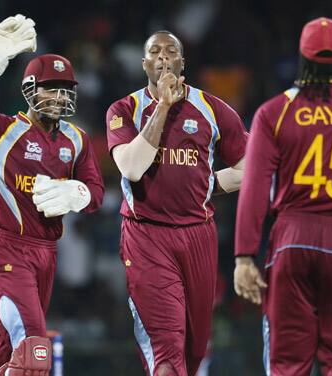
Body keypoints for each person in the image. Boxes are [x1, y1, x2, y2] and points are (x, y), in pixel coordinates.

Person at [234, 17, 332, 375]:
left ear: (302, 59)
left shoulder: (274, 111)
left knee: (287, 366)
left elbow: (255, 187)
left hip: (291, 241)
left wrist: (244, 256)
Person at [0, 15, 104, 375]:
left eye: (66, 88)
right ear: (30, 89)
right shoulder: (2, 132)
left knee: (4, 347)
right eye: (51, 87)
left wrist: (75, 192)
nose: (60, 95)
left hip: (46, 255)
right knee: (35, 349)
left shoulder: (76, 139)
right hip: (6, 248)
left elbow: (95, 192)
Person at [106, 30, 248, 375]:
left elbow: (252, 168)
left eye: (172, 51)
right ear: (144, 64)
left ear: (183, 62)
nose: (163, 56)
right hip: (146, 237)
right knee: (166, 352)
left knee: (194, 350)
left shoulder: (214, 110)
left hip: (199, 235)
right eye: (155, 51)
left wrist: (208, 184)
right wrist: (164, 107)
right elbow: (132, 168)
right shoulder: (124, 109)